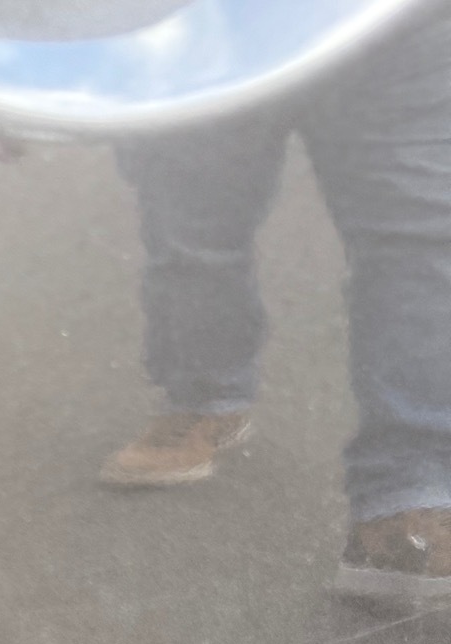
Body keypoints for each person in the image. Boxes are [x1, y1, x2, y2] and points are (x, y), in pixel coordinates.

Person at [101, 0, 451, 606]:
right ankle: (204, 397)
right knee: (193, 236)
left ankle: (410, 492)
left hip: (396, 23)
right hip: (202, 24)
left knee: (420, 239)